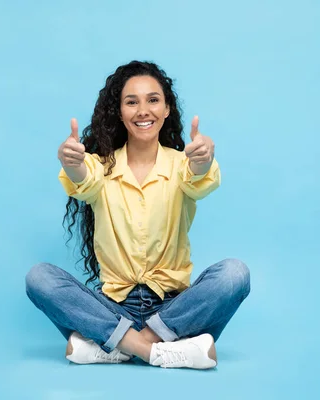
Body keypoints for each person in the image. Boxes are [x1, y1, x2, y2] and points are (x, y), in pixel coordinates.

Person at [25, 60, 250, 369]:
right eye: (132, 102)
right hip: (113, 307)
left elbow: (198, 175)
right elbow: (81, 176)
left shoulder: (181, 164)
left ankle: (116, 347)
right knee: (39, 278)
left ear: (167, 108)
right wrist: (69, 160)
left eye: (153, 100)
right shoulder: (101, 166)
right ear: (120, 112)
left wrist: (204, 157)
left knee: (235, 274)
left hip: (176, 309)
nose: (143, 110)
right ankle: (158, 351)